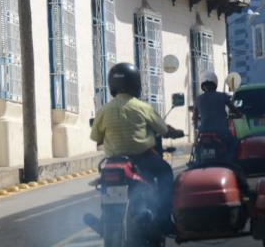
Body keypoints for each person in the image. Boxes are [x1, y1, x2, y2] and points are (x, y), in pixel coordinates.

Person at [90, 62, 176, 232]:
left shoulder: (103, 110)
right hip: (143, 159)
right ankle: (165, 219)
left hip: (114, 162)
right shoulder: (143, 107)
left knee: (107, 184)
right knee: (166, 172)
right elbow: (163, 130)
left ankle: (103, 220)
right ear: (135, 83)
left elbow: (96, 138)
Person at [192, 70, 237, 161]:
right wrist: (239, 114)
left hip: (203, 132)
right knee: (234, 143)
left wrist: (198, 121)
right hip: (221, 131)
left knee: (196, 146)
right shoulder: (223, 96)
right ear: (215, 84)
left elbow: (194, 118)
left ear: (202, 86)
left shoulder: (198, 99)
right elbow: (234, 110)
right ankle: (231, 163)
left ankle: (197, 161)